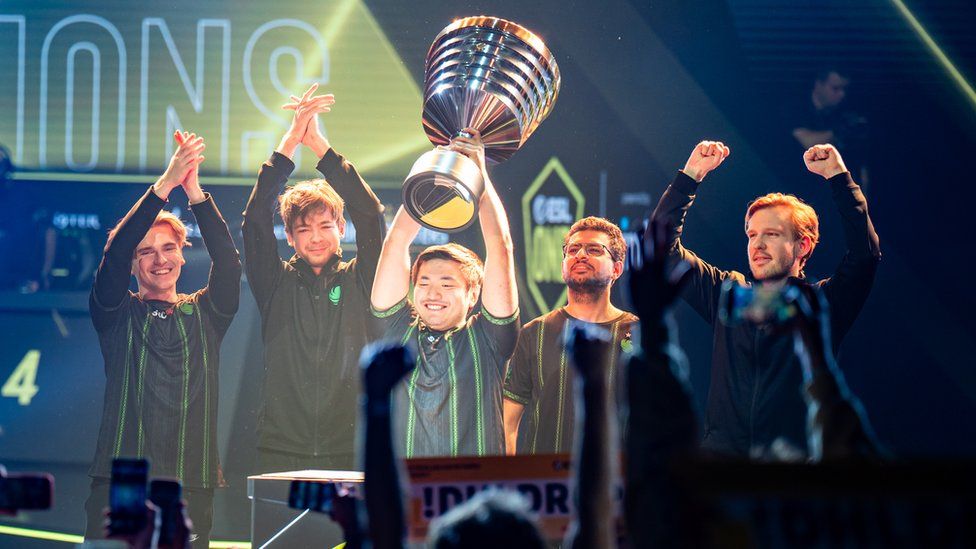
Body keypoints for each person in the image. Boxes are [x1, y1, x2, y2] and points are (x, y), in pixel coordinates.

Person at [649, 140, 881, 458]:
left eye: (771, 234)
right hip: (723, 471)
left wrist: (839, 178)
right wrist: (690, 176)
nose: (757, 244)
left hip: (793, 479)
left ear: (803, 246)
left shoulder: (822, 305)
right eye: (752, 235)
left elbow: (864, 256)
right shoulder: (726, 294)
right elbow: (662, 249)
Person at [85, 132, 241, 548]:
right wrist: (164, 186)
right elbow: (114, 253)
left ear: (182, 255)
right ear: (133, 265)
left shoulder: (208, 313)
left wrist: (194, 193)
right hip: (121, 485)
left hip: (191, 486)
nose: (159, 259)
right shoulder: (116, 312)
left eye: (169, 247)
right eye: (146, 251)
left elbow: (228, 261)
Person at [242, 84, 385, 472]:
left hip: (352, 446)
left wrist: (321, 148)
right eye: (304, 229)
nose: (317, 237)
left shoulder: (362, 278)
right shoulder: (275, 282)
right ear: (289, 236)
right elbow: (255, 222)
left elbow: (371, 215)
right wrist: (289, 143)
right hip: (282, 446)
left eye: (325, 225)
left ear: (341, 228)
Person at [370, 129, 519, 457]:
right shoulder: (398, 330)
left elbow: (500, 247)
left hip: (474, 496)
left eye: (447, 284)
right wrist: (435, 173)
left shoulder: (489, 337)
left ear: (473, 292)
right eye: (423, 283)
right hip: (406, 498)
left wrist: (476, 175)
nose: (432, 293)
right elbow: (396, 243)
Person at [502, 217, 637, 455]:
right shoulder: (534, 333)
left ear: (617, 268)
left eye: (594, 249)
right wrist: (510, 479)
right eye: (572, 250)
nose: (581, 255)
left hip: (617, 484)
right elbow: (508, 421)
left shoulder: (638, 333)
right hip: (543, 484)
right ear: (563, 264)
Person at [791, 67, 869, 183]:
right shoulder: (796, 108)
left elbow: (860, 164)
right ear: (818, 84)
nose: (842, 94)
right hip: (799, 183)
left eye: (844, 89)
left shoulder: (846, 112)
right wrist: (839, 130)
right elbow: (807, 142)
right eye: (835, 88)